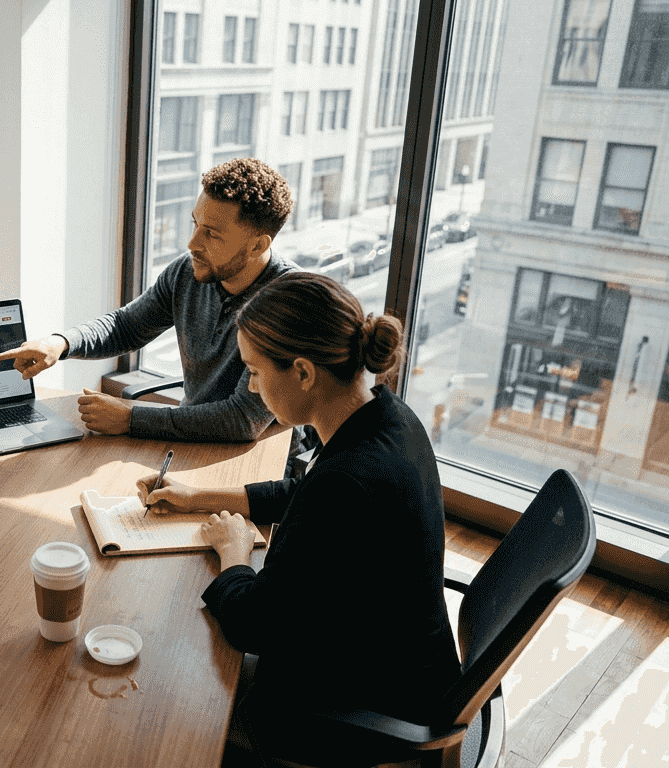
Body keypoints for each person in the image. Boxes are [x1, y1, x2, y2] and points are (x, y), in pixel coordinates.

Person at [138, 272, 460, 767]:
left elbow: (255, 625)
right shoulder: (387, 417)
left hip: (355, 712)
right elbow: (305, 491)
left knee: (172, 699)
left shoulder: (348, 481)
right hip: (408, 664)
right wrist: (198, 495)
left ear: (303, 372)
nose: (250, 384)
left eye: (255, 370)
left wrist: (233, 553)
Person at [0, 158, 296, 442]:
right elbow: (127, 326)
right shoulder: (188, 271)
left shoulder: (288, 301)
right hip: (191, 435)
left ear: (257, 245)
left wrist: (131, 418)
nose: (192, 244)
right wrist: (61, 343)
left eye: (212, 235)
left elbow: (242, 420)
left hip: (256, 452)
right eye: (194, 225)